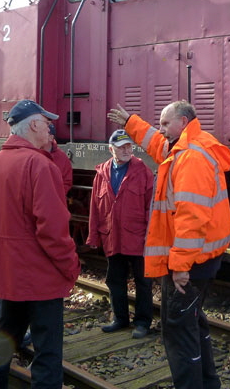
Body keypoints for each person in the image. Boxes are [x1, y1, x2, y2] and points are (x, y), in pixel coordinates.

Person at [108, 100, 230, 389]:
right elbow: (155, 144)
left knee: (178, 329)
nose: (160, 130)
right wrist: (131, 122)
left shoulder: (190, 157)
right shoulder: (188, 145)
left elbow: (192, 218)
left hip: (190, 262)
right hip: (201, 258)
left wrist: (179, 266)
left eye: (165, 124)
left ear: (183, 122)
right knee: (192, 322)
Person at [0, 99, 80, 389]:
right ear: (34, 124)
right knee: (47, 353)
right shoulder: (40, 165)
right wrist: (71, 266)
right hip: (40, 276)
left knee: (4, 341)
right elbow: (53, 229)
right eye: (47, 123)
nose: (51, 129)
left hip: (9, 273)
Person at [86, 129, 154, 339]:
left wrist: (150, 236)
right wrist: (93, 236)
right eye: (121, 147)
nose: (126, 150)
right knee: (115, 279)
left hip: (137, 237)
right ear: (111, 149)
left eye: (128, 146)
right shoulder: (102, 172)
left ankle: (142, 322)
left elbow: (150, 207)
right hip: (112, 236)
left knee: (143, 281)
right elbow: (95, 207)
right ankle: (120, 319)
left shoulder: (143, 171)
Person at [46, 123, 73, 195]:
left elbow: (67, 182)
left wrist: (56, 195)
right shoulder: (32, 153)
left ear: (51, 137)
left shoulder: (62, 158)